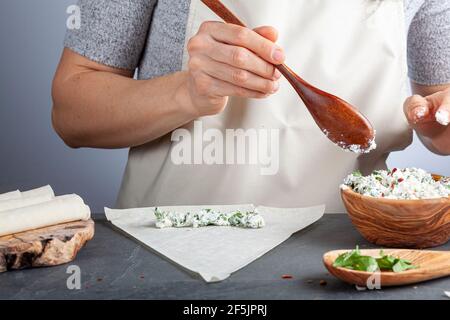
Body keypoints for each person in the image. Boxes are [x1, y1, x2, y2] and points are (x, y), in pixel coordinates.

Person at [52, 0, 450, 212]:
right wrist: (185, 94)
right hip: (171, 251)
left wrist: (439, 119)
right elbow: (72, 112)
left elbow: (441, 121)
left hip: (351, 257)